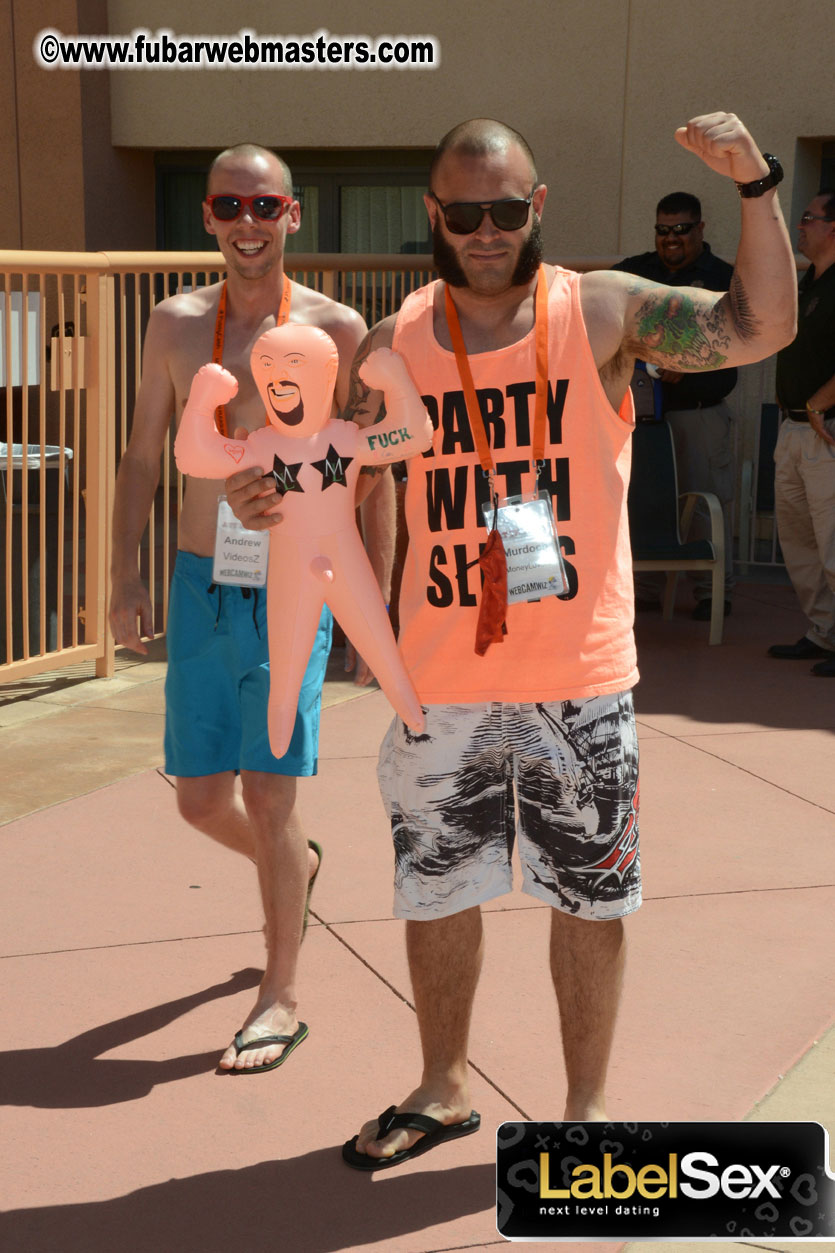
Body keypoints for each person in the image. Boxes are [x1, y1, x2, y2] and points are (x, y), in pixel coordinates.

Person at [227, 114, 795, 1162]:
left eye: (506, 208)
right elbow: (333, 468)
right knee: (437, 890)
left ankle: (584, 1120)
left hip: (578, 676)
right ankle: (442, 1085)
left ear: (536, 208)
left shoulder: (604, 312)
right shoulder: (392, 341)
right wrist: (268, 497)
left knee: (588, 902)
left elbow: (757, 326)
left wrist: (756, 185)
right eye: (463, 211)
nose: (485, 229)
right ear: (433, 215)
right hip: (439, 678)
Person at [109, 143, 369, 1073]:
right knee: (199, 801)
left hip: (296, 581)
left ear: (293, 215)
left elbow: (366, 469)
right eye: (230, 206)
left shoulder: (339, 329)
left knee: (267, 794)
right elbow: (143, 454)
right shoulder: (174, 323)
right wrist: (123, 575)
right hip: (197, 579)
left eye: (266, 206)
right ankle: (293, 867)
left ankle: (280, 992)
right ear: (210, 219)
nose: (247, 223)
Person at [613, 192, 738, 619]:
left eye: (682, 230)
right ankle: (644, 588)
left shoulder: (723, 277)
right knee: (642, 501)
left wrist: (692, 367)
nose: (671, 239)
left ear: (700, 229)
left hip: (697, 411)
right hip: (643, 419)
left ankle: (710, 593)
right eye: (663, 230)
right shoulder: (635, 272)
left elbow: (738, 352)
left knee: (706, 503)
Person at [767, 190, 835, 676]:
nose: (800, 225)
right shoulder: (808, 280)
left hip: (824, 429)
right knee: (799, 542)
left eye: (809, 218)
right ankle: (823, 632)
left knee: (832, 543)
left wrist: (818, 403)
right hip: (791, 429)